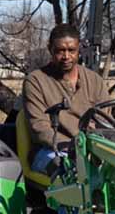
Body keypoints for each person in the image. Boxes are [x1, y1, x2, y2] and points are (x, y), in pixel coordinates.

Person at [22, 22, 106, 178]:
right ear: (50, 49)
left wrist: (94, 146)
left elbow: (104, 121)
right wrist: (75, 147)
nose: (66, 56)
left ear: (78, 49)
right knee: (71, 172)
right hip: (51, 150)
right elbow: (39, 129)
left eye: (71, 50)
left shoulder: (95, 80)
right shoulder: (35, 81)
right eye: (60, 51)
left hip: (90, 148)